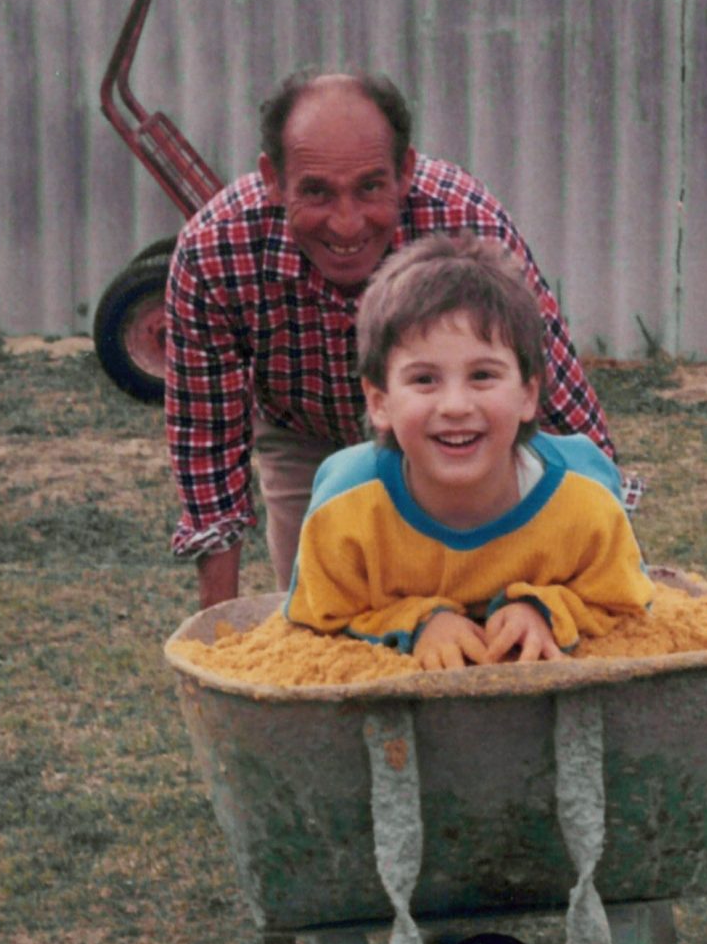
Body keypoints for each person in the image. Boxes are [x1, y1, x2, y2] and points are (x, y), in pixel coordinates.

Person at [162, 68, 622, 609]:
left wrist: (609, 560)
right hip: (301, 428)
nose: (347, 223)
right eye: (315, 192)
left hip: (456, 424)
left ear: (405, 171)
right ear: (273, 178)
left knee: (490, 603)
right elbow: (207, 448)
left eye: (370, 187)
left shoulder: (463, 220)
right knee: (325, 607)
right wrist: (220, 641)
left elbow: (558, 402)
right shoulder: (214, 249)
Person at [283, 235, 652, 669]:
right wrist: (418, 622)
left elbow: (624, 599)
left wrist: (545, 611)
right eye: (424, 380)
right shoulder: (346, 509)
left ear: (528, 395)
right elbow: (318, 619)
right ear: (379, 401)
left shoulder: (583, 498)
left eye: (482, 375)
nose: (456, 406)